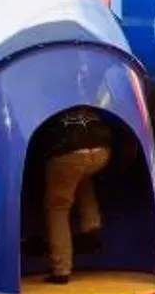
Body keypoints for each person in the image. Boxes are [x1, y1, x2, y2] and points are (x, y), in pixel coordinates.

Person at [40, 108, 116, 282]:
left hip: (66, 150)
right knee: (82, 177)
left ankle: (61, 271)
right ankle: (91, 225)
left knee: (57, 207)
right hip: (101, 149)